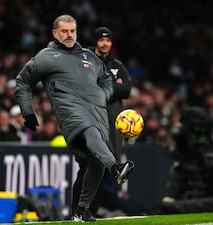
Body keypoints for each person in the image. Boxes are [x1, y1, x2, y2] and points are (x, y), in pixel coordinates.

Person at [14, 15, 134, 222]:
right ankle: (115, 167)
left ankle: (82, 210)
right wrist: (28, 112)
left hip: (97, 112)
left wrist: (102, 95)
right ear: (55, 33)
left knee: (95, 163)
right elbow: (22, 81)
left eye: (72, 31)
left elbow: (106, 80)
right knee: (90, 132)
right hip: (70, 113)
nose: (69, 35)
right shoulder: (46, 57)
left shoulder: (88, 56)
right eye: (64, 31)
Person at [71, 27, 133, 217]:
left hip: (111, 124)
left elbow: (127, 90)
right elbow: (82, 83)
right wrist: (115, 86)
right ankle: (76, 211)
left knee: (102, 170)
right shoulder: (85, 58)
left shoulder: (117, 65)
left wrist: (103, 86)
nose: (105, 44)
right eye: (101, 40)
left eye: (108, 41)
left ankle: (90, 213)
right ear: (96, 41)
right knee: (86, 166)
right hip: (89, 118)